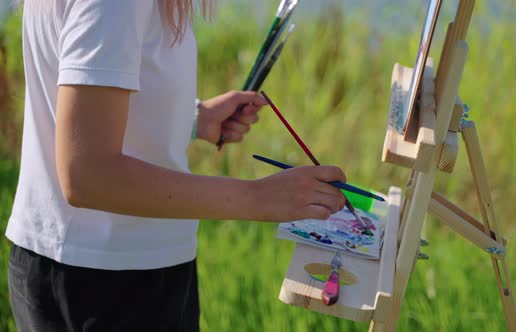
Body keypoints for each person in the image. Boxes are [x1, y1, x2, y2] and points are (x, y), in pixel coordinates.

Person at [6, 0, 347, 331]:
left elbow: (90, 108)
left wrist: (194, 118)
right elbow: (87, 174)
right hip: (103, 282)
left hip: (115, 269)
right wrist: (258, 196)